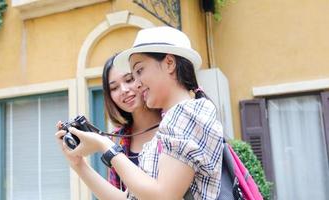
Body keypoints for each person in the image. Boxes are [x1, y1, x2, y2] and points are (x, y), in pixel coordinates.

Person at [57, 26, 224, 200]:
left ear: (169, 63)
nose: (135, 85)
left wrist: (105, 146)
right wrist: (78, 164)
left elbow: (163, 196)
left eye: (138, 71)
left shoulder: (187, 113)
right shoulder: (177, 118)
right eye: (114, 87)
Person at [55, 54, 162, 194]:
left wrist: (103, 144)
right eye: (114, 88)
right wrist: (78, 164)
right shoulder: (118, 139)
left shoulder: (172, 124)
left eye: (129, 79)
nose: (124, 90)